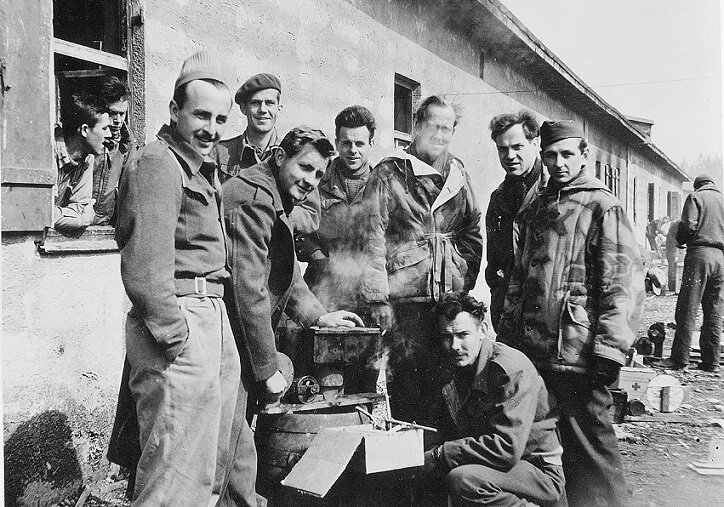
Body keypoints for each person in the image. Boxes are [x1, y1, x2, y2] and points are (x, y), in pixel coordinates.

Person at [114, 51, 240, 506]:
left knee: (206, 470)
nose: (211, 128)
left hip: (210, 316)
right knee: (174, 477)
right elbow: (145, 267)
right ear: (174, 110)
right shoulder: (158, 163)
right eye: (201, 115)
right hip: (182, 320)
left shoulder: (200, 170)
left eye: (220, 119)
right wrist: (176, 337)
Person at [498, 120, 645, 507]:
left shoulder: (603, 206)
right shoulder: (535, 207)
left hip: (579, 351)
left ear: (584, 155)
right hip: (534, 350)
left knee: (592, 446)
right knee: (544, 445)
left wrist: (610, 347)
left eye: (567, 154)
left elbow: (622, 281)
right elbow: (519, 277)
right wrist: (507, 337)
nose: (558, 163)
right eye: (550, 155)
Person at [220, 125, 364, 505]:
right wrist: (268, 368)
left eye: (318, 174)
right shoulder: (255, 199)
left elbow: (285, 271)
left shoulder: (275, 195)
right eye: (305, 168)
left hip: (237, 338)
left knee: (236, 450)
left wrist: (318, 316)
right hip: (227, 338)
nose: (310, 180)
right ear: (280, 157)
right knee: (225, 451)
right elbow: (248, 289)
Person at [361, 95, 483, 423]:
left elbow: (472, 230)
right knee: (409, 388)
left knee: (450, 385)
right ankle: (412, 452)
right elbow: (371, 238)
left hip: (447, 300)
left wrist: (461, 276)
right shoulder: (389, 172)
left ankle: (445, 451)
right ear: (417, 126)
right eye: (433, 126)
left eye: (447, 129)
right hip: (407, 303)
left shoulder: (458, 172)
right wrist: (378, 298)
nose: (440, 135)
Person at [418, 291, 565, 507]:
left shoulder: (510, 370)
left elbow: (507, 447)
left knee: (463, 480)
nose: (455, 345)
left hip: (538, 472)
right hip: (500, 467)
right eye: (447, 337)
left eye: (463, 335)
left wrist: (442, 454)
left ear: (483, 330)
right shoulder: (455, 367)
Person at [217, 73, 319, 235]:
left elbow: (310, 213)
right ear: (243, 108)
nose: (263, 110)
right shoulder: (220, 153)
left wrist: (274, 215)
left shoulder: (296, 155)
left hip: (277, 245)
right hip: (232, 242)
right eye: (255, 103)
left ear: (279, 108)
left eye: (270, 103)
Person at [299, 105, 377, 315]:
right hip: (321, 288)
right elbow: (299, 224)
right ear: (337, 143)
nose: (353, 150)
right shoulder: (316, 179)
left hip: (367, 292)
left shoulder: (383, 185)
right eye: (346, 143)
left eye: (360, 144)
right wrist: (317, 256)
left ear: (371, 144)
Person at [485, 109, 545, 332]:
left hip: (544, 317)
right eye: (503, 149)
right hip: (508, 316)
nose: (509, 156)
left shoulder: (554, 193)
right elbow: (494, 263)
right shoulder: (499, 198)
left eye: (517, 147)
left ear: (535, 143)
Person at [658, 174, 724, 372]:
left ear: (697, 186)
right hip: (720, 259)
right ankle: (712, 362)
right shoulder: (722, 200)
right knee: (714, 311)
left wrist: (680, 240)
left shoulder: (696, 197)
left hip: (699, 255)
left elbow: (688, 225)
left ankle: (679, 359)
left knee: (687, 307)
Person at [53, 92, 111, 233]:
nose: (109, 134)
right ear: (85, 130)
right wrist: (81, 221)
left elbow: (81, 207)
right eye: (104, 128)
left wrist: (66, 216)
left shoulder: (87, 158)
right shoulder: (48, 153)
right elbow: (42, 213)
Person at [92, 76, 136, 225]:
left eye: (122, 114)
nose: (118, 120)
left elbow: (128, 188)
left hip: (105, 224)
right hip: (79, 221)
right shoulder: (90, 138)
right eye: (112, 113)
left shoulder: (126, 143)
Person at [665, 219, 682, 293]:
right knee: (673, 268)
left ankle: (672, 286)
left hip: (672, 250)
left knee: (672, 268)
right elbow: (674, 242)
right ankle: (673, 286)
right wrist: (676, 254)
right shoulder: (674, 232)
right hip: (673, 250)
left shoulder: (672, 230)